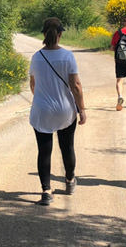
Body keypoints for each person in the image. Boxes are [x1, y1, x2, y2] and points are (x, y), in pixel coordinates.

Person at [29, 17, 87, 206]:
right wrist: (82, 109)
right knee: (67, 147)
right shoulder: (68, 56)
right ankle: (69, 181)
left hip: (42, 109)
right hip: (65, 110)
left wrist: (43, 97)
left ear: (44, 34)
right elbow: (76, 85)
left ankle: (46, 191)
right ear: (60, 34)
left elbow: (33, 84)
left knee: (44, 151)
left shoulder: (36, 57)